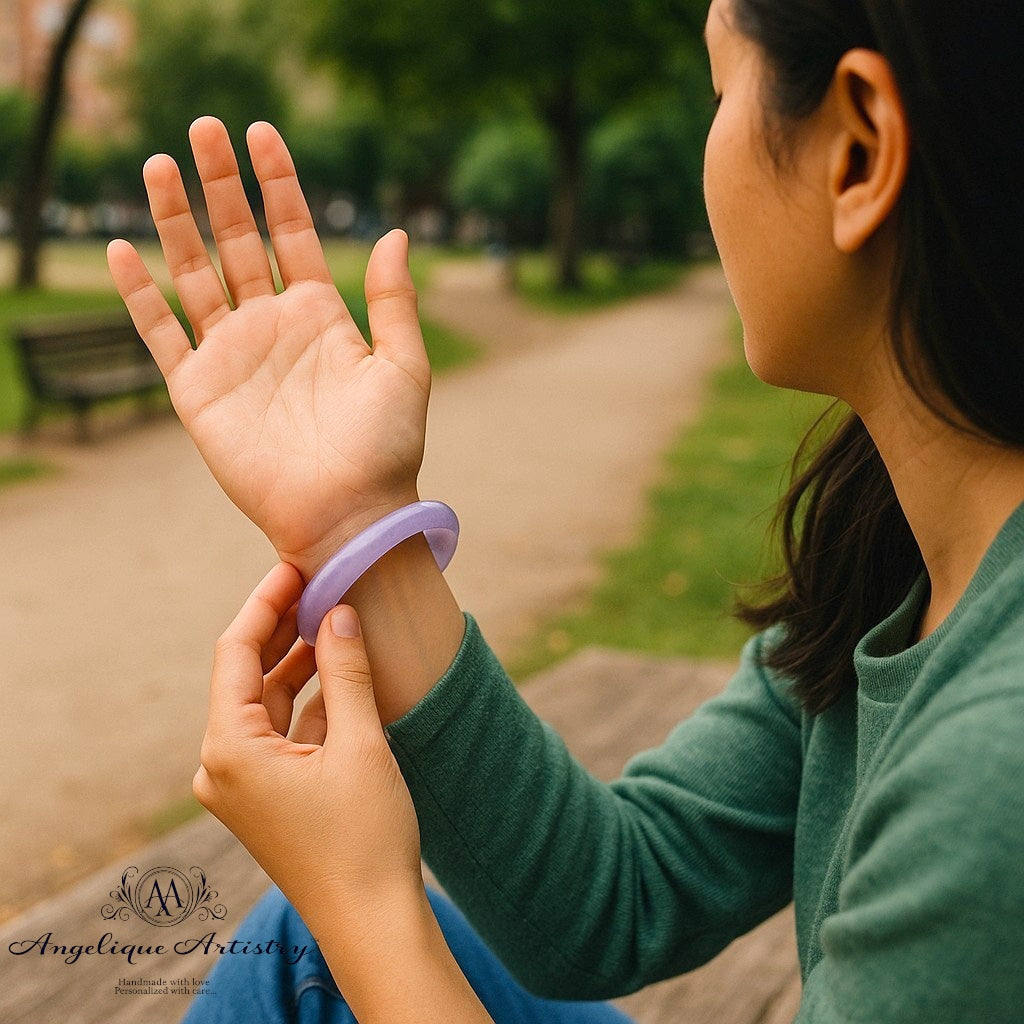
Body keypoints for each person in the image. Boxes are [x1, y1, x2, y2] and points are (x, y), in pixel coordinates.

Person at [106, 0, 1024, 1019]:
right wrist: (353, 521)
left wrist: (362, 895)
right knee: (296, 949)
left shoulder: (998, 777)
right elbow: (611, 897)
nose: (702, 154)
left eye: (720, 90)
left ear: (858, 150)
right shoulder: (905, 555)